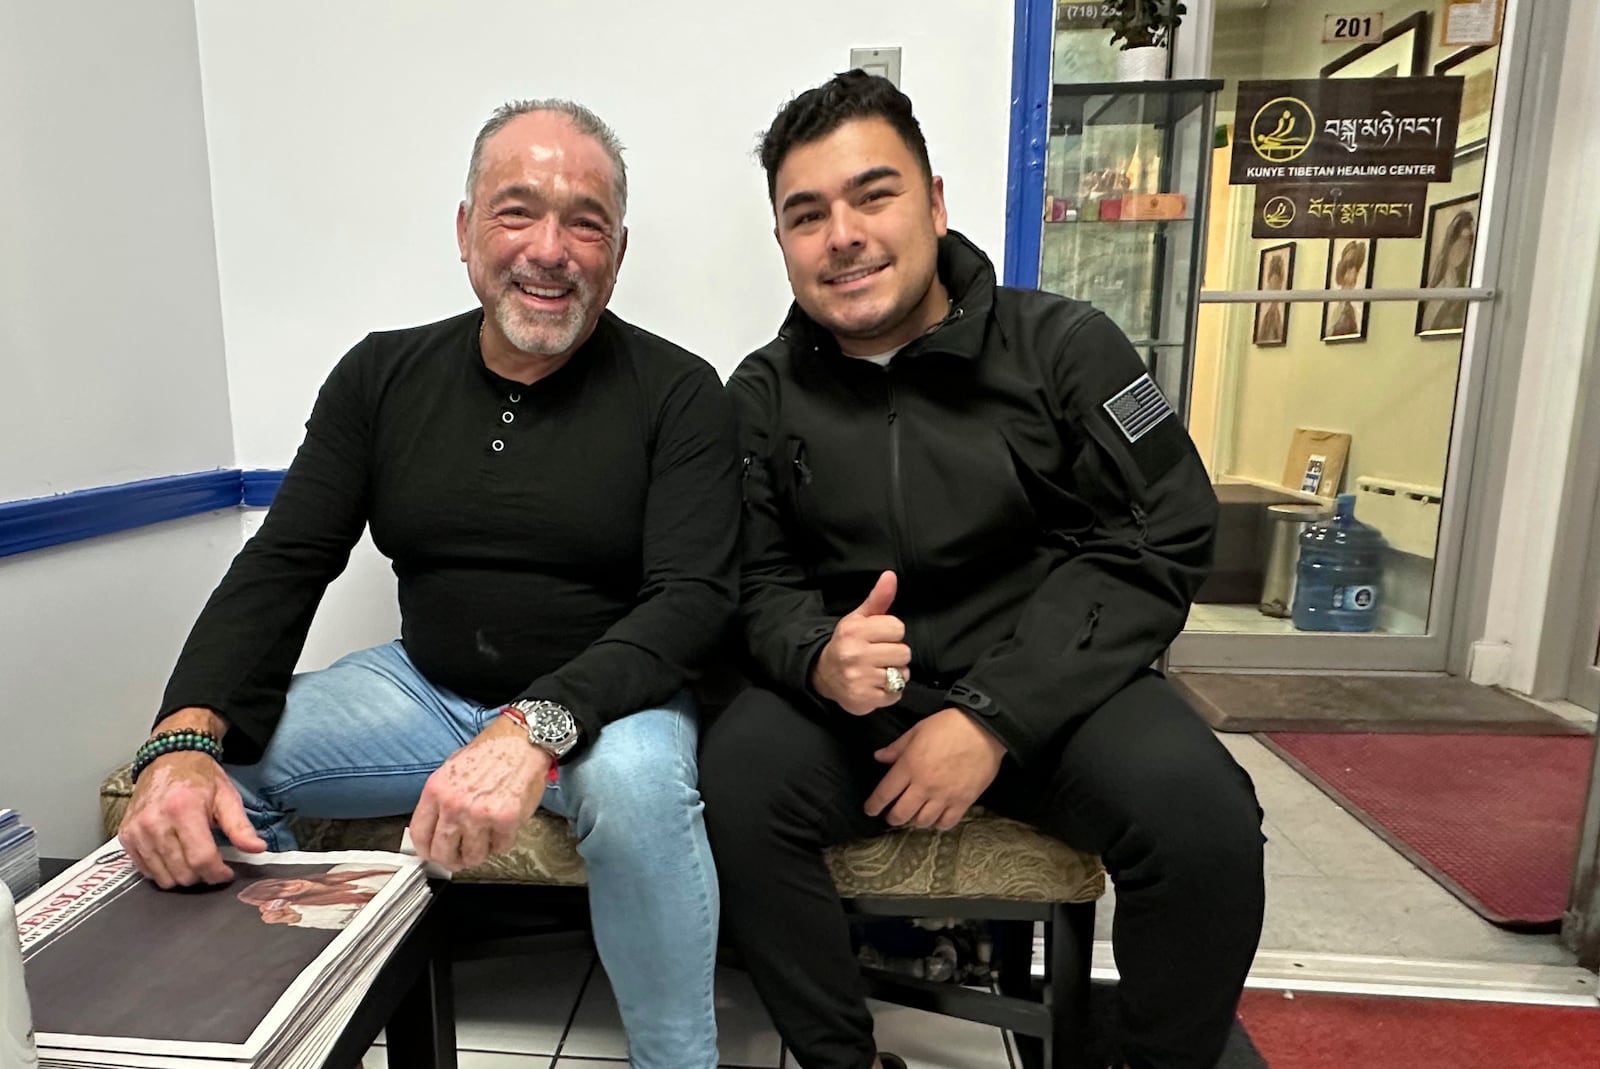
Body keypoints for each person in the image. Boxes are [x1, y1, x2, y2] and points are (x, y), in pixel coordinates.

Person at [116, 99, 737, 1068]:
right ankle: (320, 1015)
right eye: (516, 210)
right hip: (426, 690)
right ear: (464, 231)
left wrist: (535, 723)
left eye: (584, 222)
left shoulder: (681, 391)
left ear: (617, 252)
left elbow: (693, 602)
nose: (550, 248)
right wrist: (185, 730)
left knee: (642, 794)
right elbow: (287, 559)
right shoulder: (380, 376)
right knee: (226, 760)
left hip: (610, 705)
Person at [700, 71, 1265, 1069]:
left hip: (1056, 691)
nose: (842, 235)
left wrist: (994, 715)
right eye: (805, 214)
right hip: (861, 704)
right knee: (737, 779)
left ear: (934, 201)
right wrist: (817, 654)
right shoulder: (761, 393)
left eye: (872, 194)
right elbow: (752, 577)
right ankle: (842, 1058)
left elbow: (1163, 530)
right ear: (783, 241)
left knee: (1202, 818)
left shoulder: (1066, 347)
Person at [236, 866, 396, 929]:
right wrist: (296, 918)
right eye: (282, 894)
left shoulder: (341, 871)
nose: (294, 886)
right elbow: (350, 923)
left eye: (283, 884)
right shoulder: (320, 910)